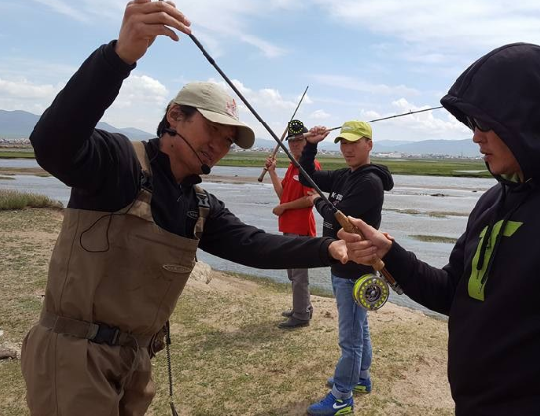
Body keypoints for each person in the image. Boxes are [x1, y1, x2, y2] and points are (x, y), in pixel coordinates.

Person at [19, 2, 349, 415]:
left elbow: (253, 245)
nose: (219, 146)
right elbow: (51, 144)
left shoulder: (198, 205)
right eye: (212, 129)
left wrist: (328, 248)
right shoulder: (118, 164)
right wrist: (118, 58)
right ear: (174, 115)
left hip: (136, 360)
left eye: (228, 140)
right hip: (74, 356)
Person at [338, 43, 540, 416]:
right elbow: (450, 292)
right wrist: (389, 253)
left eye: (485, 123)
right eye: (472, 124)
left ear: (525, 121)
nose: (476, 136)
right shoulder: (491, 202)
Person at [298, 121, 394, 416]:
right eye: (343, 143)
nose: (347, 149)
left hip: (356, 268)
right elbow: (306, 175)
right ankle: (361, 377)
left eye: (354, 142)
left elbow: (339, 216)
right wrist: (310, 144)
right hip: (341, 262)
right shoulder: (345, 175)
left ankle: (342, 397)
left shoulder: (370, 182)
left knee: (349, 338)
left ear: (369, 144)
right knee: (359, 327)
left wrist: (317, 201)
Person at [264, 120, 321, 329]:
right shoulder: (291, 166)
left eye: (299, 140)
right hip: (288, 227)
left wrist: (284, 207)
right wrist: (272, 172)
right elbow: (283, 195)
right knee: (292, 273)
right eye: (291, 141)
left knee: (299, 275)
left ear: (307, 142)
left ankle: (301, 315)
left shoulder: (310, 166)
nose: (295, 144)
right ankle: (303, 307)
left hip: (301, 228)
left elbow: (310, 199)